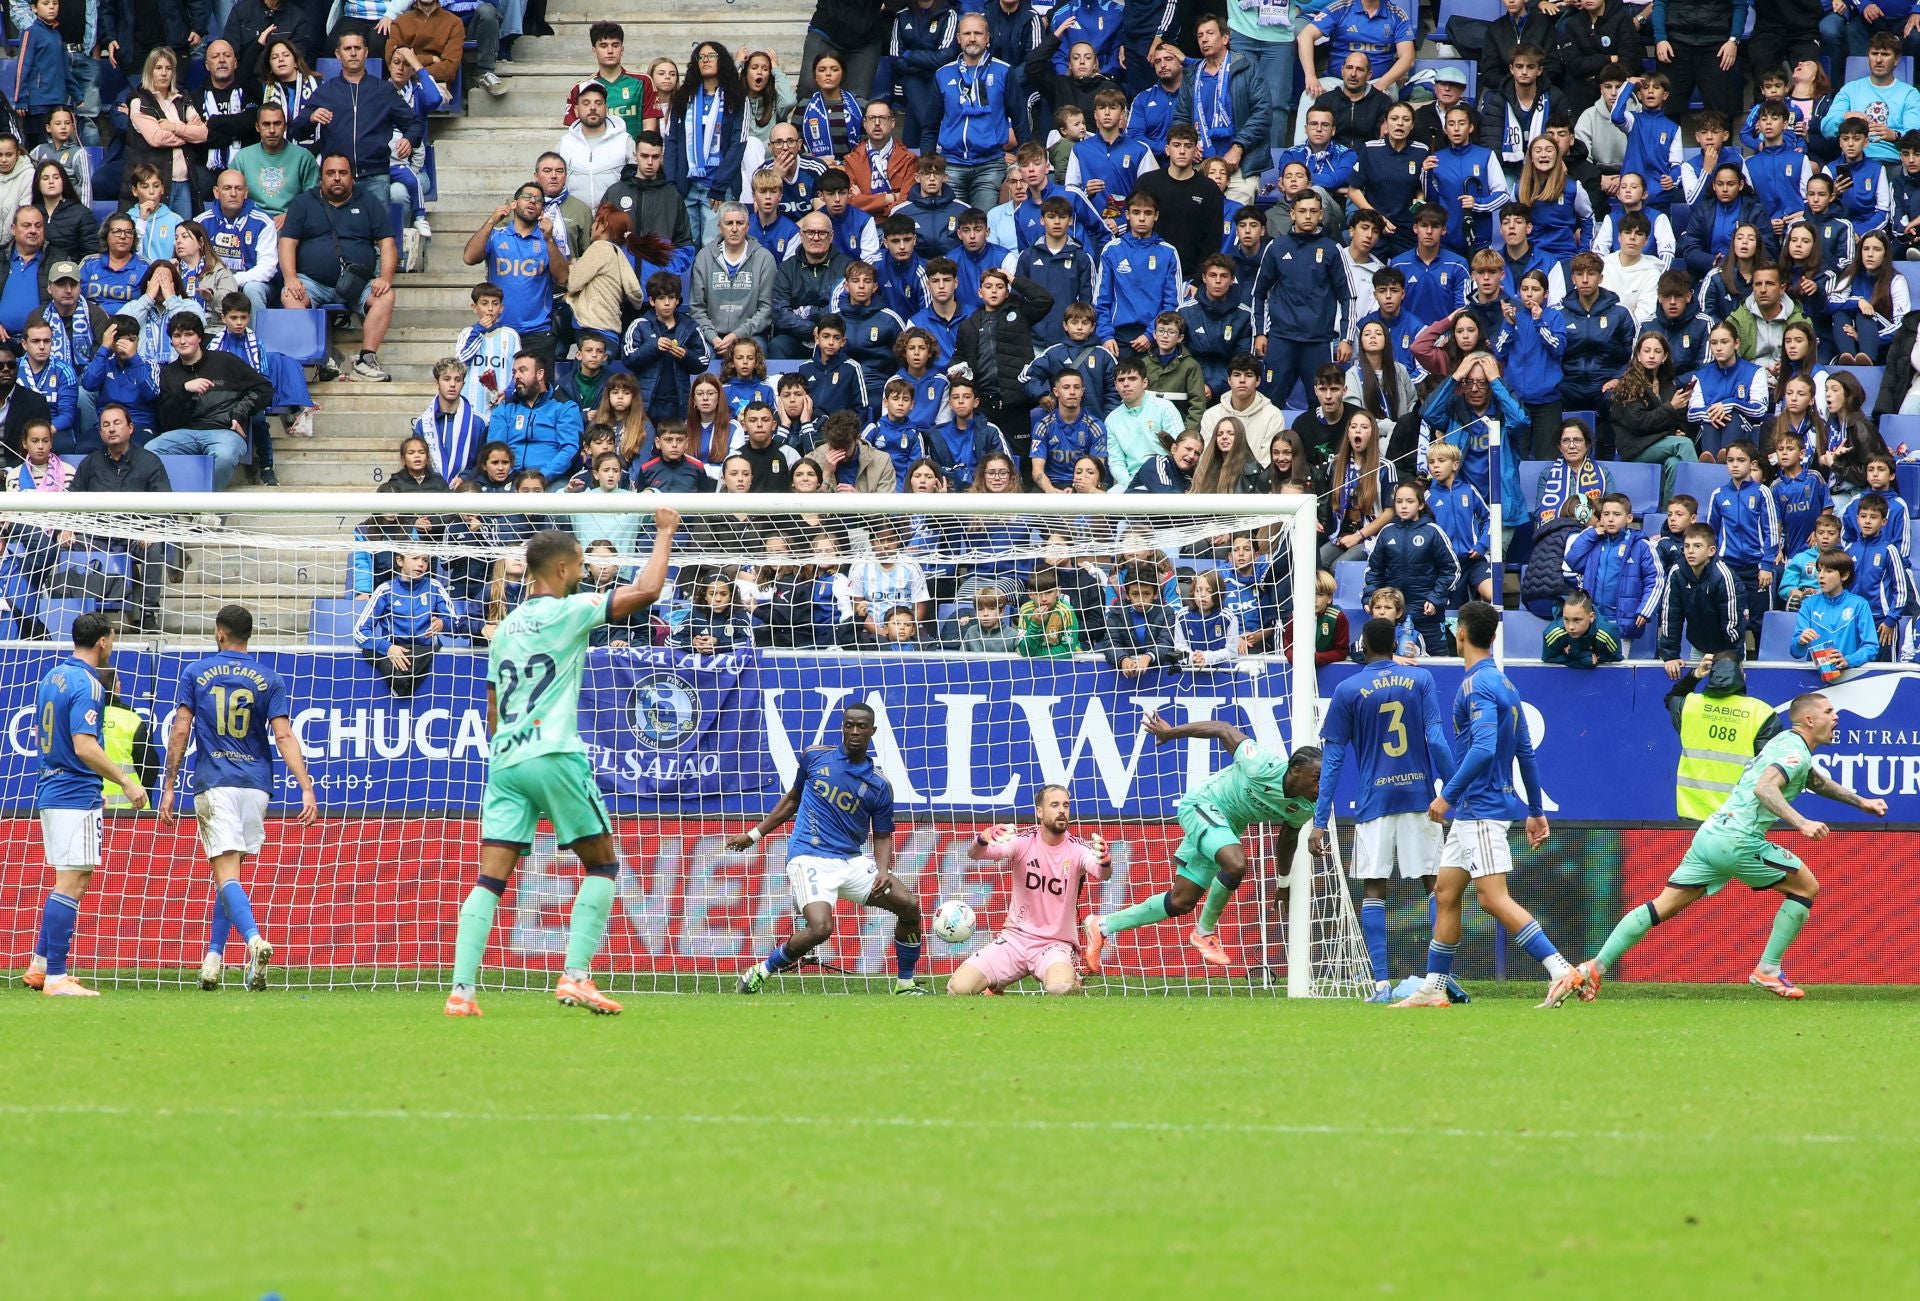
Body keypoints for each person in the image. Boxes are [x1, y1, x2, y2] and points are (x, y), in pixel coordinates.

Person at [443, 519, 678, 1016]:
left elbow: (491, 703)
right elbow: (649, 589)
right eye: (579, 564)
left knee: (490, 879)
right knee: (602, 863)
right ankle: (575, 975)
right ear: (565, 567)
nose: (583, 571)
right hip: (553, 752)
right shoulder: (570, 610)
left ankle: (461, 992)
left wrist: (510, 747)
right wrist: (664, 530)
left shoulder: (504, 627)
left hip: (506, 762)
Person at [1573, 692, 1886, 1001]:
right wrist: (1802, 822)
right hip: (1739, 840)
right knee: (1806, 887)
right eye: (1829, 711)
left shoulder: (1785, 742)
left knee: (1661, 906)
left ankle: (1594, 967)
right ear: (1809, 719)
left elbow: (1815, 781)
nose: (1836, 717)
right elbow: (1766, 789)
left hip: (1711, 834)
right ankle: (1768, 969)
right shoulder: (1796, 751)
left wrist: (1862, 802)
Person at [1394, 601, 1573, 1008]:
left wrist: (1447, 795)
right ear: (1492, 637)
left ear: (1460, 634)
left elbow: (1484, 747)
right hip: (1477, 810)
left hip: (1481, 808)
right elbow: (1524, 751)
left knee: (1492, 898)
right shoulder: (1506, 685)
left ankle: (1561, 970)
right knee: (1445, 891)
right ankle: (1434, 988)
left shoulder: (1475, 686)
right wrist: (1535, 810)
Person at [157, 603, 318, 992]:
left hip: (217, 781)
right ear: (249, 635)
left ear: (219, 632)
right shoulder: (269, 678)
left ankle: (254, 941)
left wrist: (169, 783)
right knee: (230, 876)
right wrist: (306, 785)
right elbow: (283, 736)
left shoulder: (195, 673)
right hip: (256, 786)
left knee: (225, 874)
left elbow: (180, 730)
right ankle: (213, 961)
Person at [1084, 707, 1318, 973]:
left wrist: (1284, 883)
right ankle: (1204, 932)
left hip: (1225, 827)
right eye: (1317, 779)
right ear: (1296, 771)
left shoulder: (1304, 808)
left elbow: (1288, 839)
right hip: (1203, 805)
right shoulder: (1260, 764)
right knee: (1236, 864)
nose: (1321, 787)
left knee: (1181, 901)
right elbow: (1223, 728)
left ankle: (1102, 926)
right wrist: (1170, 733)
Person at [730, 702, 928, 995]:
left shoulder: (879, 785)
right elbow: (792, 801)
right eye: (849, 724)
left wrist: (884, 870)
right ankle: (763, 970)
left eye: (862, 726)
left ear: (872, 731)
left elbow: (882, 834)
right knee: (821, 929)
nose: (854, 731)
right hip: (808, 856)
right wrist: (754, 835)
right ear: (842, 726)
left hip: (851, 861)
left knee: (909, 906)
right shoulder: (814, 757)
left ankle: (904, 984)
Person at [1312, 616, 1453, 1001]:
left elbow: (1333, 761)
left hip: (1374, 800)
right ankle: (1438, 980)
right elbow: (1436, 739)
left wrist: (1320, 820)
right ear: (1395, 643)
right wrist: (1455, 788)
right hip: (1419, 797)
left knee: (1374, 888)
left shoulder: (1347, 689)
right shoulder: (1420, 680)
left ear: (1362, 644)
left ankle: (1381, 984)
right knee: (1434, 884)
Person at [19, 613, 148, 996]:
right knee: (74, 880)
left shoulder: (51, 677)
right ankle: (57, 977)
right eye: (112, 639)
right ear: (104, 642)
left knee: (67, 878)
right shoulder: (89, 684)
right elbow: (84, 745)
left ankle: (40, 968)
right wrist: (126, 781)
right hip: (75, 793)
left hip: (51, 789)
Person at [949, 788, 1112, 996]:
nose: (1062, 810)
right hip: (1015, 939)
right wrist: (982, 839)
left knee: (1060, 988)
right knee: (957, 989)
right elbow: (976, 855)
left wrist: (1106, 862)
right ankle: (995, 986)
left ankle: (1071, 977)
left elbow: (1102, 873)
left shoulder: (1078, 849)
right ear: (1039, 812)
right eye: (1054, 805)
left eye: (1065, 805)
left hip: (1054, 945)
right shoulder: (1023, 842)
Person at [278, 154, 398, 382]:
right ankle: (320, 357)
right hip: (313, 283)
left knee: (386, 296)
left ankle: (366, 360)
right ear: (321, 177)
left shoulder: (368, 201)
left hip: (359, 282)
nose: (336, 178)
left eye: (342, 173)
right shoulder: (303, 202)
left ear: (352, 177)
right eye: (330, 173)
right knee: (289, 295)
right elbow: (287, 242)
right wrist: (291, 277)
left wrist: (385, 277)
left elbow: (387, 243)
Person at [290, 32, 423, 206]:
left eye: (357, 48)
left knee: (377, 232)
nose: (353, 53)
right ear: (338, 54)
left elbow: (415, 123)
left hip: (376, 177)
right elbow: (296, 131)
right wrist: (311, 118)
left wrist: (408, 138)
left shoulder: (383, 90)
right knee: (337, 231)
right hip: (336, 177)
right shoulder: (326, 91)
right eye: (347, 48)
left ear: (366, 52)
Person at [148, 314, 273, 490]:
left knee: (224, 455)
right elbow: (167, 420)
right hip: (185, 433)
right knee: (149, 452)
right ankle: (174, 506)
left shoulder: (225, 361)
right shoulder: (168, 373)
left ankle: (205, 507)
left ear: (199, 337)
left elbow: (264, 388)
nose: (183, 341)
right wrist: (184, 391)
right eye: (177, 336)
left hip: (224, 431)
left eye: (189, 334)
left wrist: (240, 413)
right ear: (171, 341)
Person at [461, 181, 569, 364]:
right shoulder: (497, 235)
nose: (533, 201)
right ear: (514, 203)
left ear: (542, 209)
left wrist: (549, 239)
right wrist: (491, 221)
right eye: (527, 197)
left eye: (539, 200)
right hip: (498, 328)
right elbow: (469, 258)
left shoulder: (547, 240)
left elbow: (563, 278)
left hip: (537, 332)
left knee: (538, 390)